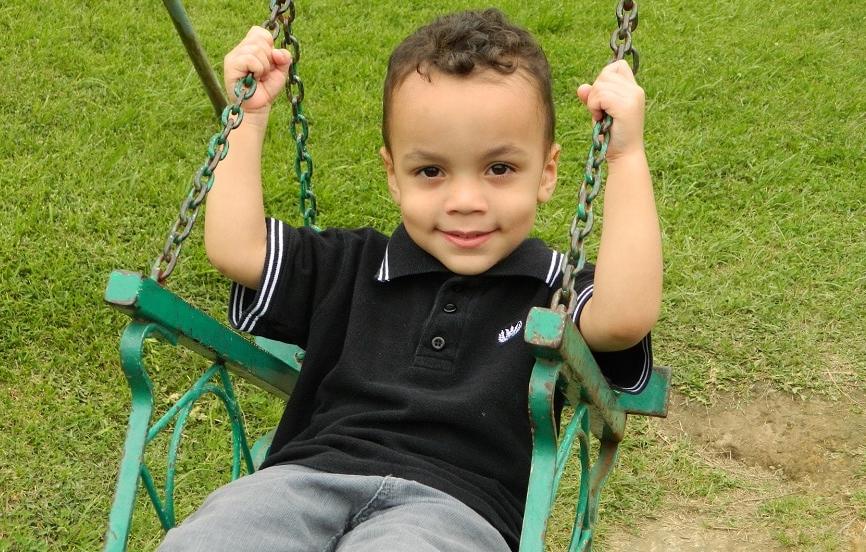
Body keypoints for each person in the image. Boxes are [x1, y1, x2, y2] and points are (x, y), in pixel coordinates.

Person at [160, 8, 661, 552]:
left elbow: (624, 317)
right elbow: (238, 249)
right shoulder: (351, 265)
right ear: (393, 177)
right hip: (301, 480)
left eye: (499, 169)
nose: (465, 202)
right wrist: (250, 116)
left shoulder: (554, 291)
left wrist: (626, 156)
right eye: (431, 172)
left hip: (457, 511)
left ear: (547, 173)